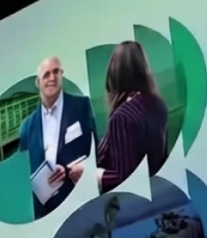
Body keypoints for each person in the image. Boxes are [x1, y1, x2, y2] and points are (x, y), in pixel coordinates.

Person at [18, 56, 98, 219]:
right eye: (46, 74)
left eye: (56, 72)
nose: (52, 78)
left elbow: (99, 151)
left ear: (62, 74)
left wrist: (85, 168)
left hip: (82, 201)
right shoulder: (27, 127)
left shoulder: (81, 106)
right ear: (38, 82)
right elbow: (23, 178)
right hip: (47, 214)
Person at [96, 41, 169, 193]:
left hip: (131, 201)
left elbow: (125, 177)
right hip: (158, 193)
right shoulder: (158, 105)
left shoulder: (121, 118)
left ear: (114, 75)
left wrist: (96, 176)